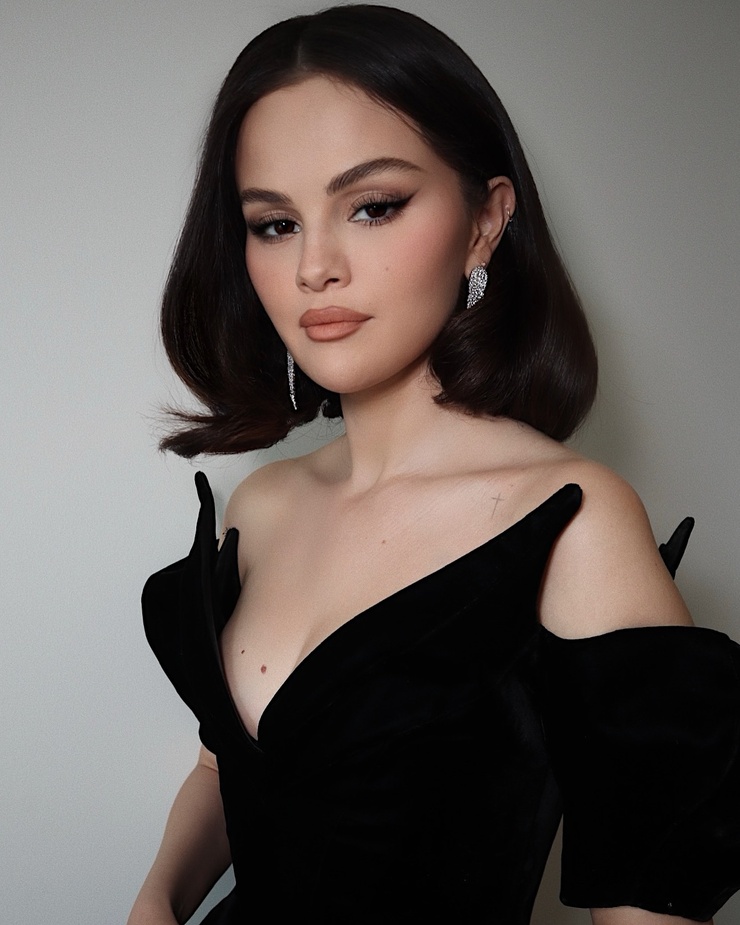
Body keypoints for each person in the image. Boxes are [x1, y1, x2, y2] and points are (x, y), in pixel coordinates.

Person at [128, 6, 740, 924]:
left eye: (373, 206)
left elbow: (647, 894)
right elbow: (230, 763)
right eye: (275, 223)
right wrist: (154, 901)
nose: (315, 267)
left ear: (486, 222)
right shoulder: (263, 503)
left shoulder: (572, 520)